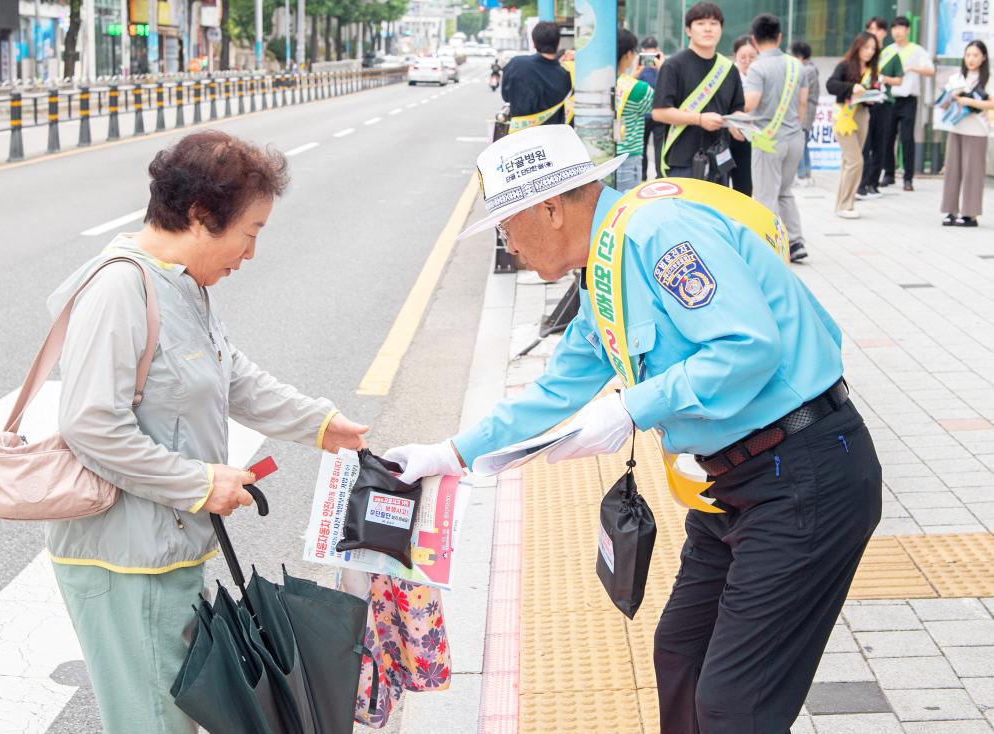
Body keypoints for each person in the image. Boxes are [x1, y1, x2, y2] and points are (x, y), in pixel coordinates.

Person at [384, 124, 881, 734]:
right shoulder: (608, 266)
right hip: (735, 483)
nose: (508, 244)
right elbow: (555, 390)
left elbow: (746, 346)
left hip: (804, 472)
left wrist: (632, 407)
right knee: (680, 654)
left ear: (550, 208)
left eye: (508, 225)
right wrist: (450, 454)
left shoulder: (656, 232)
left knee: (733, 703)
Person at [49, 130, 369, 734]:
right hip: (127, 563)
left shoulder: (183, 283)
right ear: (200, 217)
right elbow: (90, 422)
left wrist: (323, 425)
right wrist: (199, 484)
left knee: (173, 721)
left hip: (165, 553)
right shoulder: (121, 287)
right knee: (154, 724)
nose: (249, 253)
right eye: (249, 233)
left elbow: (230, 374)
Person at [652, 2, 745, 182]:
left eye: (714, 23)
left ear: (721, 28)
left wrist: (738, 124)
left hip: (720, 159)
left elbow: (736, 109)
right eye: (701, 23)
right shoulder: (673, 65)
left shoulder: (729, 69)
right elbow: (659, 112)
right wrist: (700, 119)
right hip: (683, 161)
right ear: (688, 30)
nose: (708, 29)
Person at [743, 14, 809, 262]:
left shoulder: (757, 67)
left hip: (767, 139)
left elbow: (752, 103)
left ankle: (768, 246)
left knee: (765, 195)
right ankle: (795, 241)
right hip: (794, 137)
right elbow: (802, 104)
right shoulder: (796, 65)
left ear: (754, 39)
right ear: (780, 36)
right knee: (785, 191)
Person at [939, 40, 994, 227]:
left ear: (983, 57)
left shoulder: (988, 79)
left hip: (977, 130)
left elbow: (992, 103)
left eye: (975, 55)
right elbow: (945, 100)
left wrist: (969, 102)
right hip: (956, 128)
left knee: (973, 173)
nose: (971, 59)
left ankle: (970, 214)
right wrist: (951, 98)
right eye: (968, 54)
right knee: (952, 170)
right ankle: (950, 211)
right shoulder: (957, 78)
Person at [827, 32, 880, 219]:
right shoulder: (845, 65)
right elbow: (831, 85)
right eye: (866, 47)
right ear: (858, 47)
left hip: (862, 114)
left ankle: (842, 204)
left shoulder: (873, 70)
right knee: (855, 161)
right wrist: (852, 88)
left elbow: (874, 90)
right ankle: (845, 205)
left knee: (848, 161)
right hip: (844, 115)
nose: (869, 52)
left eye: (873, 49)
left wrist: (872, 97)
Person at [880, 16, 935, 191]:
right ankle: (888, 173)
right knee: (888, 137)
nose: (897, 31)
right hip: (890, 97)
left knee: (907, 138)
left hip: (908, 98)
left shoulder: (917, 50)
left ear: (908, 30)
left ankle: (908, 178)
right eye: (894, 28)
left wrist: (911, 68)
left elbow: (930, 70)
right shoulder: (888, 50)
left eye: (901, 27)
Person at [858, 17, 904, 200]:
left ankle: (872, 184)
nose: (873, 33)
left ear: (884, 32)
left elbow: (899, 80)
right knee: (865, 143)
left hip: (884, 102)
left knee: (880, 143)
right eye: (870, 29)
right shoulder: (863, 54)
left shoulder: (891, 55)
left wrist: (883, 79)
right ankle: (860, 183)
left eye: (877, 29)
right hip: (865, 103)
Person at [501, 21, 573, 129]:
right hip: (555, 137)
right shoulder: (568, 73)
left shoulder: (516, 65)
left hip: (520, 136)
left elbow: (506, 96)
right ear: (558, 43)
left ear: (534, 43)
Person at [614, 28, 655, 191]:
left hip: (597, 159)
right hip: (627, 160)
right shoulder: (638, 89)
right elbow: (662, 106)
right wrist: (665, 68)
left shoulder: (592, 82)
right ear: (629, 55)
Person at [729, 34, 757, 196]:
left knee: (746, 185)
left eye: (752, 57)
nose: (747, 61)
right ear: (735, 56)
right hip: (731, 134)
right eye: (743, 57)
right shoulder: (728, 74)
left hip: (755, 135)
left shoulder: (762, 75)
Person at [791, 41, 819, 185]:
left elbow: (798, 92)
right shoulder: (810, 68)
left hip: (805, 109)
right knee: (804, 142)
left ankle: (801, 174)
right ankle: (806, 173)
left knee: (800, 141)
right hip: (808, 108)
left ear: (800, 56)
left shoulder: (806, 70)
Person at [638, 36, 663, 179]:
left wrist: (661, 66)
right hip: (643, 115)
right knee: (642, 148)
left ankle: (660, 176)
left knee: (659, 148)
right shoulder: (639, 69)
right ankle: (642, 176)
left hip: (659, 114)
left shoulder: (663, 68)